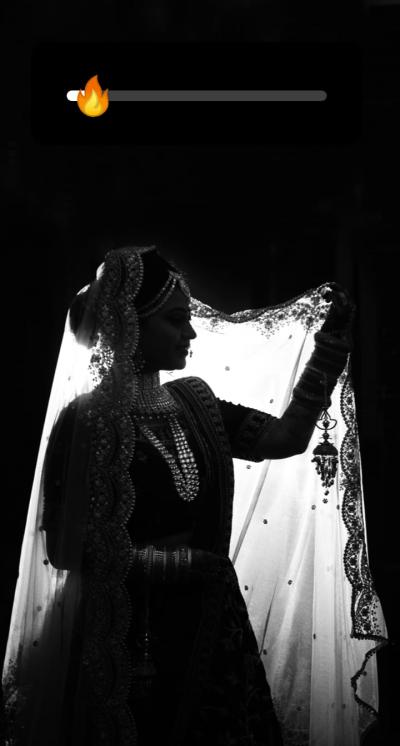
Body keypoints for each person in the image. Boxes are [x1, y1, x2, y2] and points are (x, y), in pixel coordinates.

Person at [2, 245, 380, 746]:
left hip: (208, 624)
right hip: (127, 634)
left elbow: (286, 438)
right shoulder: (86, 421)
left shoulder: (195, 402)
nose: (192, 333)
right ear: (129, 325)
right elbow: (66, 550)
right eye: (176, 320)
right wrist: (180, 565)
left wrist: (328, 353)